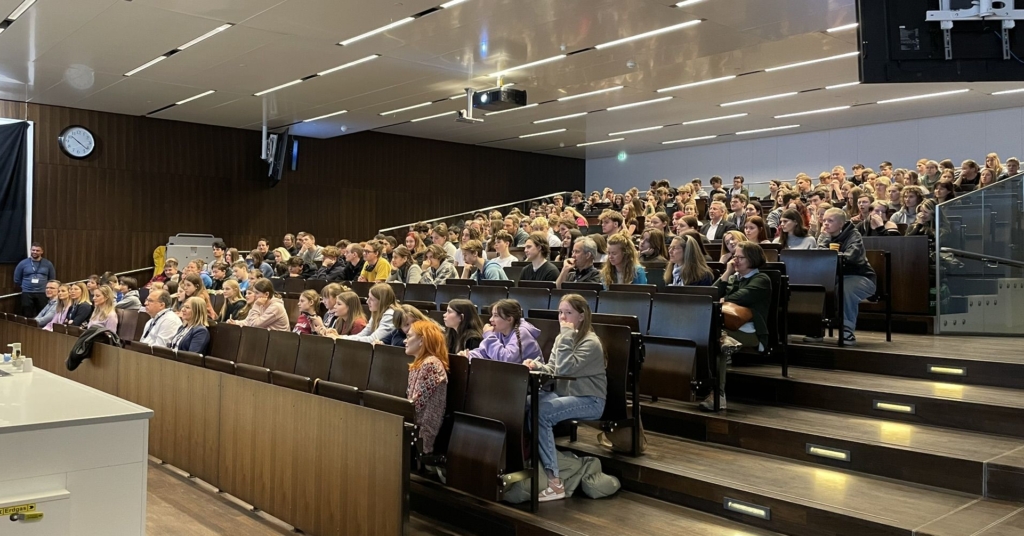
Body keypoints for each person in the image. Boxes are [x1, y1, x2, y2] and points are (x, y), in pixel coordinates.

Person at [523, 293, 607, 501]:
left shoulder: (591, 342)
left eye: (568, 313)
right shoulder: (562, 338)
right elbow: (554, 368)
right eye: (560, 312)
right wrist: (536, 365)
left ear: (582, 316)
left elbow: (567, 369)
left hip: (590, 400)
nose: (563, 317)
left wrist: (567, 336)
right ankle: (529, 462)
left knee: (541, 413)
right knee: (524, 404)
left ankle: (555, 482)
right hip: (565, 395)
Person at [703, 242, 772, 411]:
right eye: (735, 257)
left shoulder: (762, 280)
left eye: (741, 257)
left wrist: (723, 298)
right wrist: (727, 273)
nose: (736, 261)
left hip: (752, 332)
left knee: (716, 341)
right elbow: (710, 295)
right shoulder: (733, 277)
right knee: (714, 339)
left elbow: (740, 297)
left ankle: (719, 395)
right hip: (726, 328)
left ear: (753, 259)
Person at [811, 208, 876, 345]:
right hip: (833, 277)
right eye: (824, 220)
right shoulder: (825, 235)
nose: (826, 223)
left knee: (844, 289)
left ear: (841, 224)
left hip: (860, 277)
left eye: (830, 220)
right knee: (818, 289)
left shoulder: (854, 235)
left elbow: (851, 257)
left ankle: (847, 331)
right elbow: (820, 256)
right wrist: (826, 239)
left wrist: (833, 254)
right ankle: (816, 328)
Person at [405, 320, 449, 455]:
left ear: (422, 340)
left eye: (409, 336)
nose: (404, 341)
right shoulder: (420, 363)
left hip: (421, 430)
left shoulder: (431, 364)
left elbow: (416, 404)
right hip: (413, 423)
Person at [465, 299, 541, 364]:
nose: (490, 319)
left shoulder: (523, 332)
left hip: (530, 378)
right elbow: (484, 353)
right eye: (492, 315)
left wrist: (488, 335)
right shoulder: (499, 331)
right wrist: (468, 356)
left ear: (509, 319)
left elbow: (505, 360)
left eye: (496, 315)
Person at [14, 243, 57, 317]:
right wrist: (25, 286)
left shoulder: (48, 264)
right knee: (27, 313)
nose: (35, 252)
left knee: (42, 313)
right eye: (33, 250)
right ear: (30, 250)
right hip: (27, 292)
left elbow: (52, 279)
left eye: (37, 250)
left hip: (42, 293)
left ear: (41, 252)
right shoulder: (23, 263)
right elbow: (17, 279)